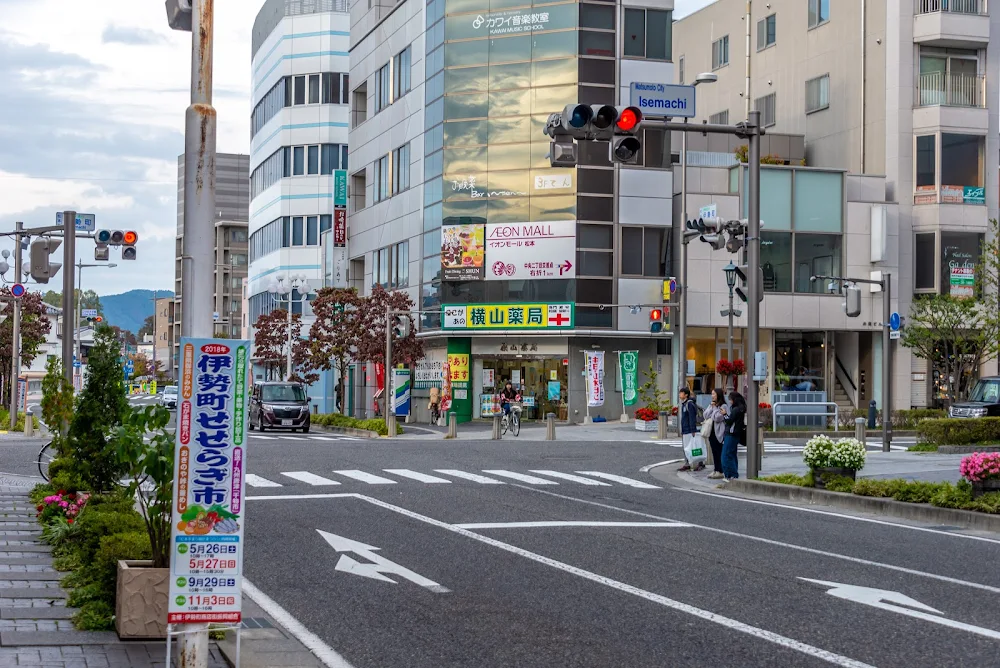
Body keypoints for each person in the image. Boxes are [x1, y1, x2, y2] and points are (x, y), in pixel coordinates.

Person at [702, 388, 728, 480]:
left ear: (718, 395)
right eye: (712, 394)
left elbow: (717, 418)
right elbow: (705, 415)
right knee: (714, 452)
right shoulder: (712, 405)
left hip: (719, 432)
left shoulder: (723, 406)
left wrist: (714, 409)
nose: (712, 396)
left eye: (714, 394)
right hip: (711, 432)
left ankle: (720, 471)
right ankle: (716, 469)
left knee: (719, 452)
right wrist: (711, 407)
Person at [722, 391, 747, 481]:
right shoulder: (742, 409)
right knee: (732, 455)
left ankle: (729, 475)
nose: (730, 402)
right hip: (737, 434)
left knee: (726, 455)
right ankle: (734, 474)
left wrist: (724, 414)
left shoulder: (736, 410)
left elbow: (729, 422)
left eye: (731, 400)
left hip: (731, 434)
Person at [677, 387, 703, 472]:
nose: (679, 394)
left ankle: (699, 463)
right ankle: (688, 463)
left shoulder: (689, 404)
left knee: (692, 447)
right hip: (686, 429)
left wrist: (693, 430)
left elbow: (692, 418)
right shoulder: (685, 404)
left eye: (681, 393)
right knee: (687, 447)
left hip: (689, 430)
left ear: (686, 395)